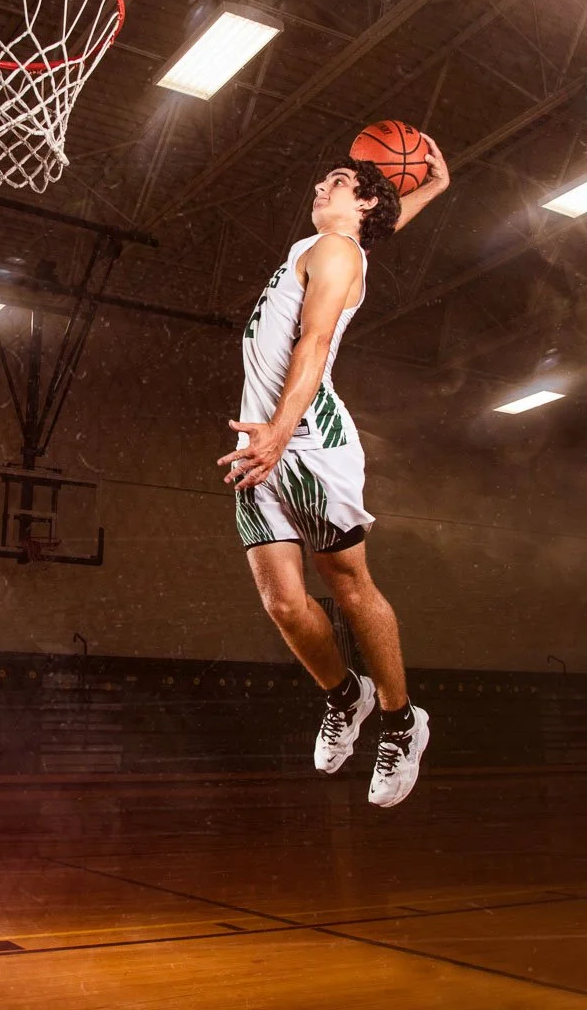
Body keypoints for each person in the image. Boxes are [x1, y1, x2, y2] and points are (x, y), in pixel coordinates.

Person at [218, 136, 450, 808]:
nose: (324, 183)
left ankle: (402, 721)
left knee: (347, 584)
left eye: (341, 180)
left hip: (307, 441)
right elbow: (377, 223)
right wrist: (433, 187)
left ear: (363, 201)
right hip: (266, 440)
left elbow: (315, 342)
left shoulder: (339, 250)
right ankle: (345, 696)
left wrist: (279, 433)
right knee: (284, 602)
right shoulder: (325, 249)